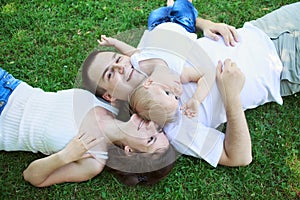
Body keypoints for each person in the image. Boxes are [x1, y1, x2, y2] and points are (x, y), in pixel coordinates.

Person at [82, 2, 299, 168]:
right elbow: (239, 157)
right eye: (110, 74)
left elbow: (177, 23)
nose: (121, 67)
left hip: (263, 28)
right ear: (110, 97)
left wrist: (206, 24)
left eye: (117, 59)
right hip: (283, 69)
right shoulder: (173, 126)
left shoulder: (144, 54)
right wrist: (231, 96)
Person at [0, 67, 174, 187]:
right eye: (158, 129)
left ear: (130, 151)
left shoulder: (92, 162)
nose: (151, 126)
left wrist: (66, 155)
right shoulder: (114, 105)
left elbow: (31, 176)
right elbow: (149, 68)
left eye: (151, 139)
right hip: (9, 85)